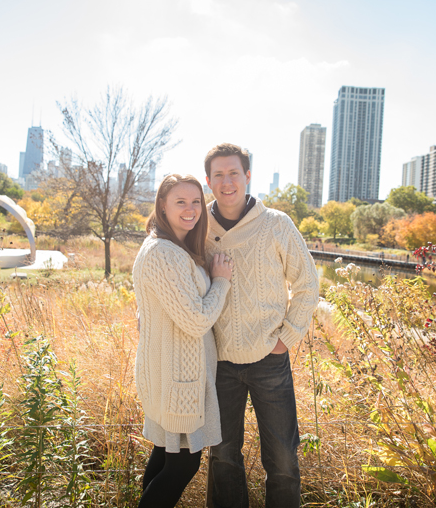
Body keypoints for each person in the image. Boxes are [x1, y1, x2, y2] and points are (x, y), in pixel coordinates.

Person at [203, 144, 319, 508]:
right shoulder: (197, 226)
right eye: (218, 175)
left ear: (247, 176)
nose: (226, 182)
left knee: (283, 460)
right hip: (218, 361)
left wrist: (285, 339)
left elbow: (308, 284)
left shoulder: (276, 224)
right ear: (208, 181)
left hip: (269, 358)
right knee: (222, 457)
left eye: (233, 173)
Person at [133, 174, 234, 508]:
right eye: (180, 202)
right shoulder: (164, 253)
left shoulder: (175, 248)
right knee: (184, 463)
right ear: (162, 205)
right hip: (177, 378)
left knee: (165, 455)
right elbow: (195, 321)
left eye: (196, 202)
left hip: (168, 372)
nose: (191, 209)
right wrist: (220, 282)